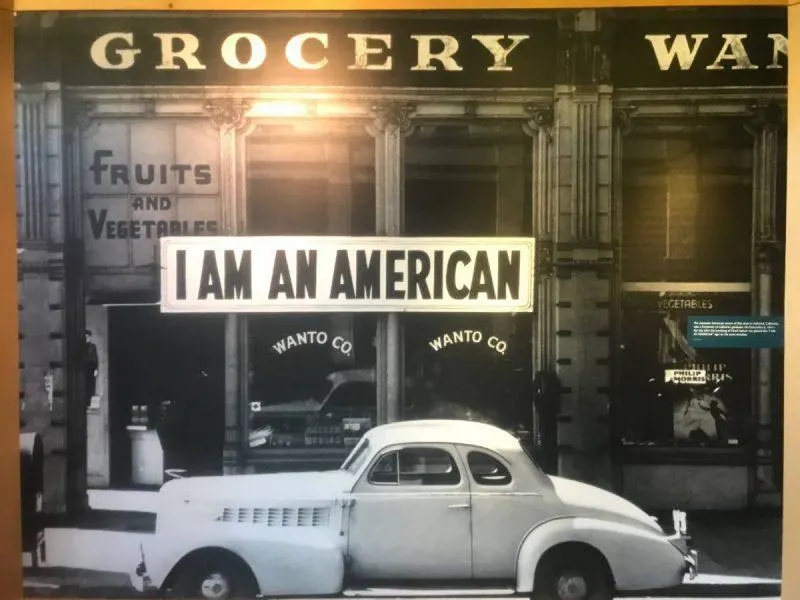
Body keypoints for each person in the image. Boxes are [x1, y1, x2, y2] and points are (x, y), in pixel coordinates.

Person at [83, 330, 98, 409]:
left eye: (88, 337)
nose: (86, 338)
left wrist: (96, 369)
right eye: (85, 337)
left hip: (91, 368)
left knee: (90, 385)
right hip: (84, 369)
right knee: (84, 385)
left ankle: (88, 402)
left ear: (90, 337)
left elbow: (95, 358)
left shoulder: (93, 346)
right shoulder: (82, 346)